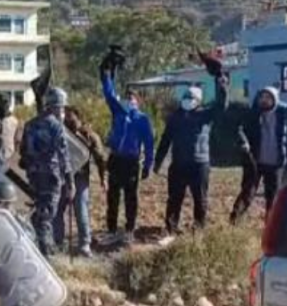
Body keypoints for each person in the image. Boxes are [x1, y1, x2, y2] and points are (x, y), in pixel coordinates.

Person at [154, 76, 229, 234]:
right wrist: (157, 162)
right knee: (174, 198)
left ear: (199, 100)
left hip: (199, 164)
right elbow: (165, 141)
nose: (187, 100)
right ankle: (171, 227)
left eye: (191, 97)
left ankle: (198, 228)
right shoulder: (175, 117)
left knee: (200, 198)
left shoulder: (205, 115)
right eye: (186, 97)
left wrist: (222, 87)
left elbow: (221, 106)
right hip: (178, 164)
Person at [100, 68, 155, 243]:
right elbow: (109, 94)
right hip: (116, 159)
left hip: (131, 162)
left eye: (132, 98)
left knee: (131, 198)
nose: (129, 100)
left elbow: (149, 143)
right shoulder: (118, 112)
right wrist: (107, 76)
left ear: (137, 101)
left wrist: (148, 165)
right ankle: (111, 230)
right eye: (127, 98)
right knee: (113, 197)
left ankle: (129, 230)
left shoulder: (142, 119)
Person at [230, 87, 287, 223]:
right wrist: (243, 142)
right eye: (262, 97)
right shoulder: (252, 115)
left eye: (268, 97)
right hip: (255, 163)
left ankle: (270, 225)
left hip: (275, 163)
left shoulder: (283, 116)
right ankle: (234, 221)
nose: (264, 100)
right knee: (247, 193)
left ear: (275, 100)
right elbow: (238, 129)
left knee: (273, 197)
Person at [19, 88, 72, 256]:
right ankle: (45, 254)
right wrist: (70, 182)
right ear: (56, 107)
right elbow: (63, 156)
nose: (62, 111)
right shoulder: (56, 126)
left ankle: (37, 248)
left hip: (33, 176)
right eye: (61, 108)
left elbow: (22, 152)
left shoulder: (30, 125)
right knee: (47, 216)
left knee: (38, 213)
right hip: (51, 176)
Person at [55, 108, 108, 257]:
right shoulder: (59, 131)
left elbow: (100, 158)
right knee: (58, 209)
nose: (68, 120)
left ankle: (85, 244)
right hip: (62, 176)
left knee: (80, 209)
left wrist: (103, 178)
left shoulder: (89, 135)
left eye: (71, 117)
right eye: (66, 117)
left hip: (80, 177)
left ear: (78, 118)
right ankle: (58, 242)